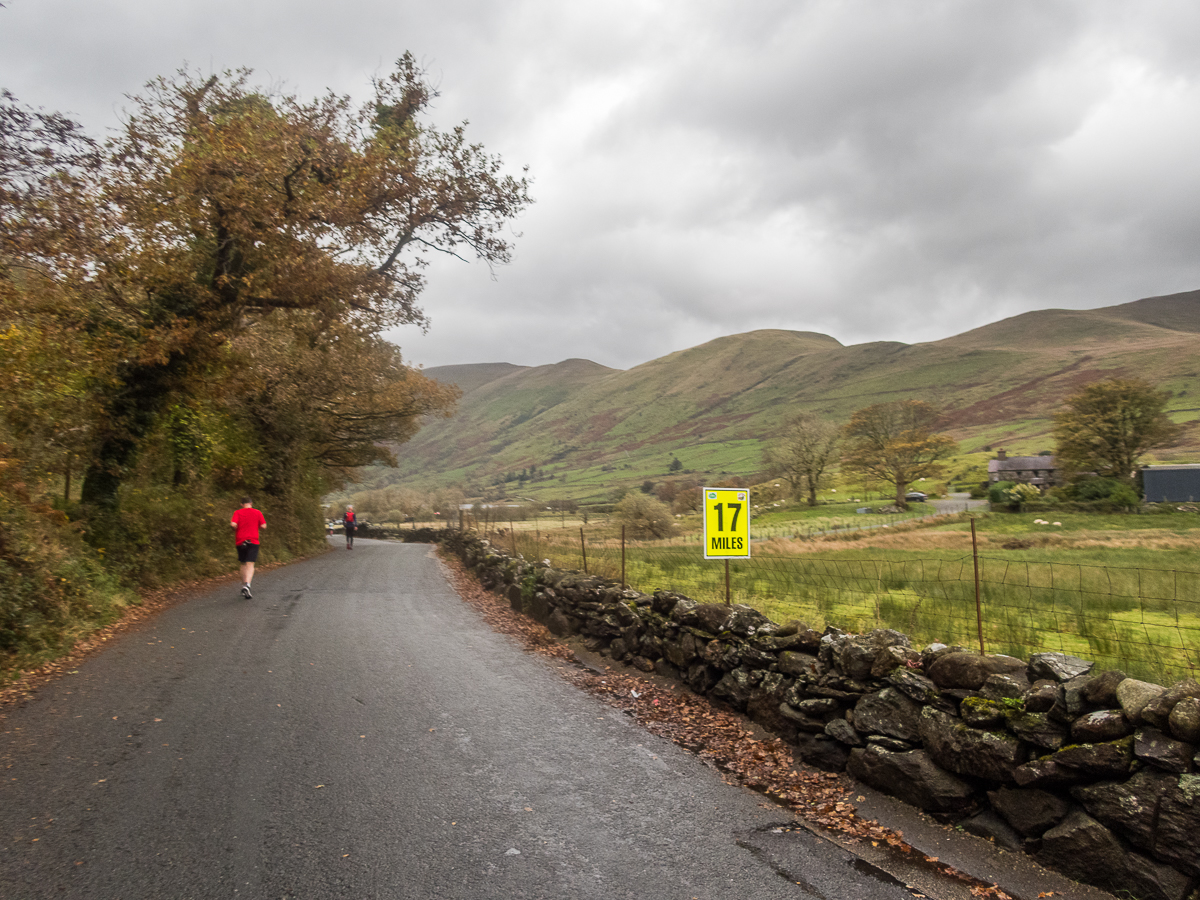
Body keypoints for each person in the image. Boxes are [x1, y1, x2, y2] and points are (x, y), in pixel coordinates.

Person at [230, 497, 266, 598]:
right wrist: (257, 526)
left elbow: (233, 524)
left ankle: (243, 584)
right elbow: (263, 526)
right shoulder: (257, 512)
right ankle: (247, 585)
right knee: (250, 564)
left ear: (242, 504)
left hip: (240, 541)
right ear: (251, 503)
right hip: (253, 541)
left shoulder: (237, 513)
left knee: (243, 563)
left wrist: (234, 529)